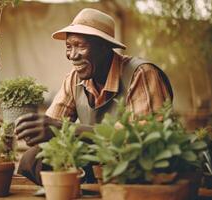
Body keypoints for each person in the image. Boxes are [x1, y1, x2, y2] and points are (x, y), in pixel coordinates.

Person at [15, 8, 173, 185]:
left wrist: (65, 129)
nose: (72, 55)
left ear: (105, 47)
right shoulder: (74, 78)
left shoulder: (140, 74)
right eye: (69, 46)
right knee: (34, 158)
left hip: (133, 163)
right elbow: (53, 124)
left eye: (80, 46)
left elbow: (144, 139)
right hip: (94, 160)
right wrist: (35, 130)